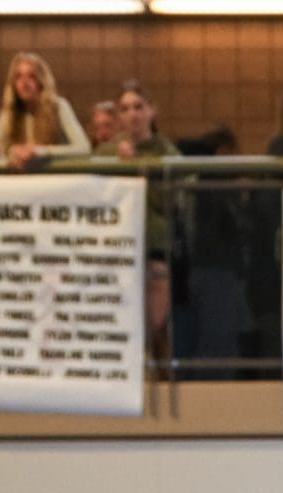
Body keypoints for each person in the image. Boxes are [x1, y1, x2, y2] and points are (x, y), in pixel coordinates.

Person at [98, 82, 180, 362]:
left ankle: (160, 380)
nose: (133, 114)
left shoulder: (167, 152)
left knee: (156, 325)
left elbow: (170, 203)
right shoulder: (107, 152)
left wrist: (139, 170)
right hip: (117, 245)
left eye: (138, 107)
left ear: (151, 111)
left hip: (154, 244)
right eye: (125, 109)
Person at [0, 52, 87, 167]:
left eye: (31, 76)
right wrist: (14, 154)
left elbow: (83, 148)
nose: (24, 83)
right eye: (18, 77)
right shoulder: (6, 117)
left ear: (41, 81)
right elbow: (4, 158)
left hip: (56, 180)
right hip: (22, 182)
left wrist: (40, 151)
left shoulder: (59, 107)